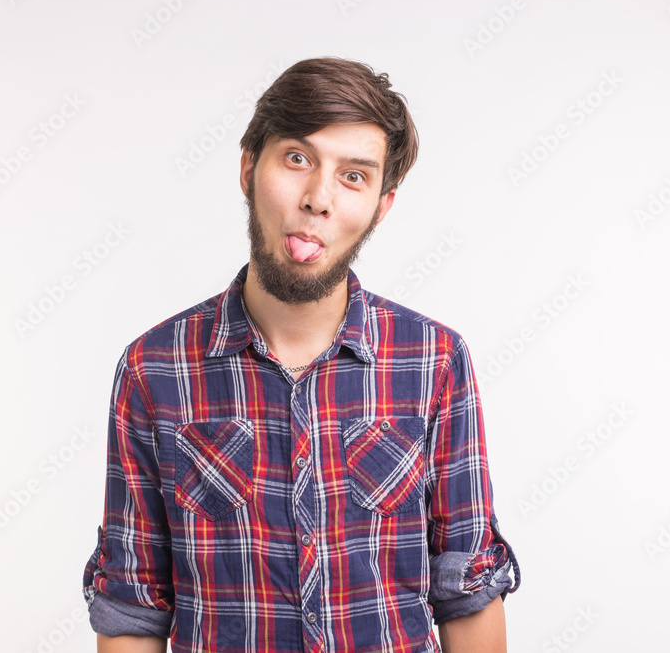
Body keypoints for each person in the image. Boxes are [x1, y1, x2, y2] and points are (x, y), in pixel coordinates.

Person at [82, 56, 520, 653]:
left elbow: (467, 592)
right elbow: (133, 608)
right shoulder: (153, 369)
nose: (318, 198)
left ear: (381, 206)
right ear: (247, 168)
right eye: (297, 158)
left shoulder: (434, 361)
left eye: (354, 176)